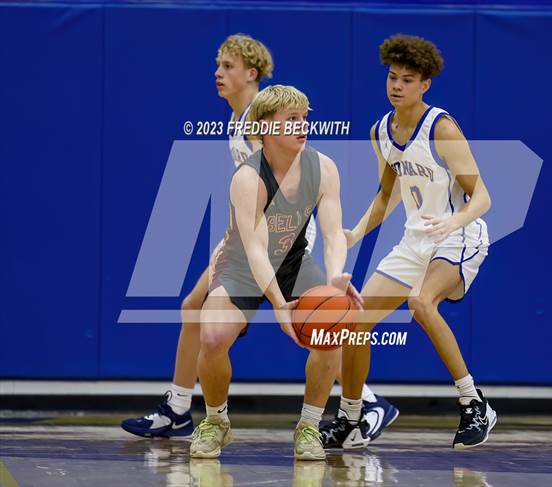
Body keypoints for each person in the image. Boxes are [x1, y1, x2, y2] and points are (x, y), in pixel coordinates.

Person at [121, 34, 397, 440]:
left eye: (228, 66)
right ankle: (179, 406)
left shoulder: (264, 123)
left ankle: (364, 401)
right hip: (254, 240)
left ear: (251, 74)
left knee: (318, 320)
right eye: (218, 65)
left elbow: (283, 198)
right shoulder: (238, 121)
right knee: (196, 309)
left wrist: (307, 257)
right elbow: (253, 201)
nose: (218, 73)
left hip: (287, 242)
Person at [321, 34, 496, 450]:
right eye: (392, 77)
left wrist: (453, 222)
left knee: (421, 302)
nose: (397, 86)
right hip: (415, 239)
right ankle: (352, 419)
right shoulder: (381, 131)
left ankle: (474, 403)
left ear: (425, 84)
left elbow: (483, 197)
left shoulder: (441, 128)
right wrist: (354, 233)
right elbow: (387, 194)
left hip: (459, 234)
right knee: (354, 323)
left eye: (408, 79)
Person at [189, 85, 362, 460]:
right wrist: (280, 305)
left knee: (331, 328)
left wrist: (335, 279)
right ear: (265, 126)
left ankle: (309, 426)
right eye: (292, 119)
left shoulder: (323, 168)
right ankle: (216, 421)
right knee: (213, 335)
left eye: (304, 118)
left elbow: (334, 234)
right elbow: (254, 250)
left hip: (294, 261)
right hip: (241, 265)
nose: (303, 126)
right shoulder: (248, 178)